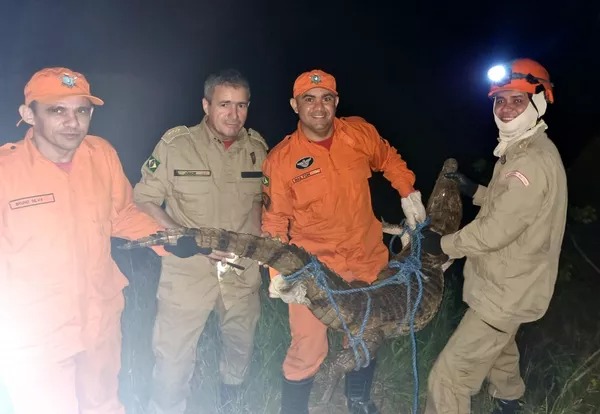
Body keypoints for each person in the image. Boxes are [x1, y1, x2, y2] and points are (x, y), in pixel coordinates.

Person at [0, 67, 167, 414]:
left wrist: (175, 241)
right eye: (57, 110)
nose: (72, 121)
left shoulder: (100, 154)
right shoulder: (6, 170)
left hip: (99, 316)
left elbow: (121, 214)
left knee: (103, 405)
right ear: (29, 114)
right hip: (36, 328)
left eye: (82, 110)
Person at [261, 69, 427, 414]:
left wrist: (407, 191)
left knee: (367, 335)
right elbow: (275, 220)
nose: (318, 107)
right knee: (309, 345)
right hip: (315, 268)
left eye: (326, 99)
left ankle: (359, 402)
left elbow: (388, 158)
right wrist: (278, 274)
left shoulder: (359, 133)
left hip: (367, 259)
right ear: (295, 105)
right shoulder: (280, 159)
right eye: (309, 99)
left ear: (336, 102)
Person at [421, 58, 568, 414]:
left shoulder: (528, 162)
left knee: (448, 378)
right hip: (512, 286)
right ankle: (509, 404)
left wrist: (442, 245)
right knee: (501, 350)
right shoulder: (524, 149)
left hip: (505, 292)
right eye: (499, 100)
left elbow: (496, 230)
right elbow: (518, 209)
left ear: (539, 102)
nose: (505, 108)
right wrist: (476, 191)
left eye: (517, 100)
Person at [133, 68, 268, 414]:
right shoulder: (177, 145)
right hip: (188, 269)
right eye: (224, 105)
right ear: (206, 105)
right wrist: (179, 234)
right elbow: (145, 197)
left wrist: (257, 244)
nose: (233, 115)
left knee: (240, 344)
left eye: (241, 106)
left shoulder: (257, 148)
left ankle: (230, 401)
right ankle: (165, 407)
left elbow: (258, 200)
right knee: (173, 354)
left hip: (241, 270)